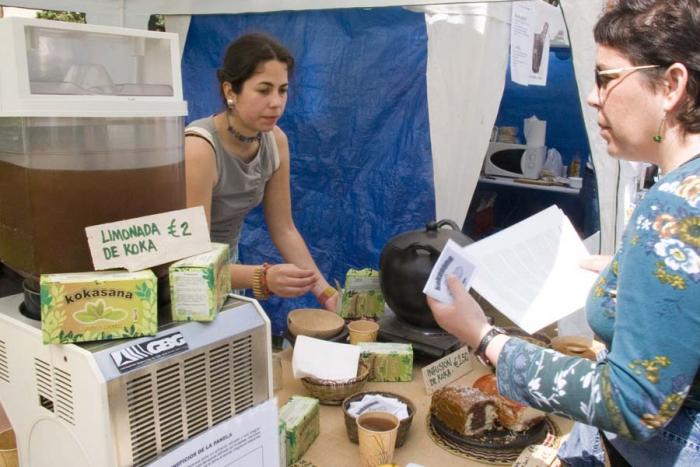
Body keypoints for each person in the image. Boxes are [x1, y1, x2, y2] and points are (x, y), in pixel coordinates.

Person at [428, 1, 700, 465]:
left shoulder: (674, 208)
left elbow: (631, 403)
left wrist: (485, 337)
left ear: (671, 85)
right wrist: (635, 272)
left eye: (606, 78)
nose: (593, 98)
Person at [185, 33, 338, 310]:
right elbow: (192, 260)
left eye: (283, 90)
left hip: (228, 268)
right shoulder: (199, 149)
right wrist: (264, 277)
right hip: (186, 277)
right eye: (264, 90)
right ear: (230, 91)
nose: (276, 102)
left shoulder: (275, 141)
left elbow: (285, 229)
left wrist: (326, 294)